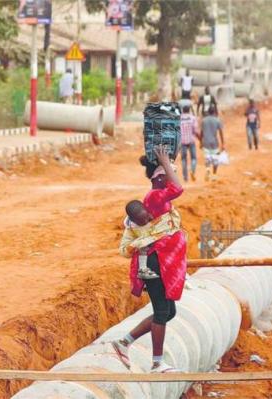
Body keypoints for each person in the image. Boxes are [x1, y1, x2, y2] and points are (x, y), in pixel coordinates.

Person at [113, 145, 187, 373]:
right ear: (160, 177)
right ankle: (157, 362)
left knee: (169, 312)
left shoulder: (158, 196)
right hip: (154, 263)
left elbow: (174, 188)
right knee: (162, 313)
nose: (172, 176)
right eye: (169, 173)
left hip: (162, 262)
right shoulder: (155, 196)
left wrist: (167, 162)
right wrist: (164, 161)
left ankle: (124, 342)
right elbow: (178, 189)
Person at [201, 104, 225, 181]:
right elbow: (221, 132)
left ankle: (208, 169)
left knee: (207, 157)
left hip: (206, 142)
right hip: (214, 142)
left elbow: (202, 132)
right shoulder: (217, 120)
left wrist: (201, 141)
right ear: (214, 112)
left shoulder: (204, 120)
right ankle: (214, 174)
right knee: (215, 158)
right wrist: (223, 143)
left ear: (208, 112)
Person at [180, 105, 199, 182]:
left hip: (182, 141)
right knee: (193, 158)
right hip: (191, 140)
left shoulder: (179, 118)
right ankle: (192, 170)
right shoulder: (193, 118)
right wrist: (200, 139)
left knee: (184, 159)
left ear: (183, 110)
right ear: (189, 110)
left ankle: (185, 177)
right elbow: (196, 131)